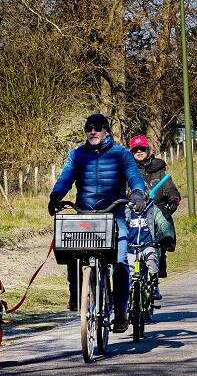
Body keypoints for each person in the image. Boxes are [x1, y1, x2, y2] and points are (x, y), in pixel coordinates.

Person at [48, 113, 146, 332]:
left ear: (106, 131)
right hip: (85, 214)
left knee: (120, 261)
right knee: (69, 247)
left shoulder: (121, 154)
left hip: (115, 215)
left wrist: (138, 192)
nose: (93, 131)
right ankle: (76, 293)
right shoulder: (77, 155)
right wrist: (55, 196)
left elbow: (134, 176)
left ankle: (120, 311)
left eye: (98, 127)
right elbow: (66, 178)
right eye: (89, 128)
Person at [130, 135, 181, 288]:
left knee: (161, 222)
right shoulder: (127, 171)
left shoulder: (159, 169)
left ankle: (165, 245)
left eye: (142, 148)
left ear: (148, 149)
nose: (139, 151)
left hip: (155, 208)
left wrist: (173, 199)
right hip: (133, 210)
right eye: (135, 149)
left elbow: (170, 188)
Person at [123, 185, 175, 301]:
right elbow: (119, 224)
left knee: (152, 259)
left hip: (148, 244)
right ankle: (128, 296)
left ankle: (154, 285)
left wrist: (167, 235)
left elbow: (163, 223)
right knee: (129, 269)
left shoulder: (152, 209)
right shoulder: (126, 211)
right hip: (130, 247)